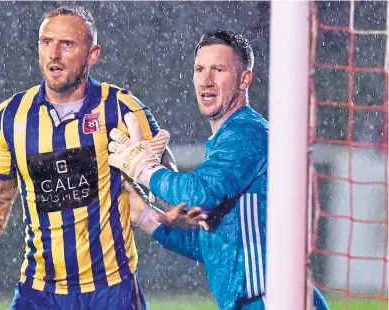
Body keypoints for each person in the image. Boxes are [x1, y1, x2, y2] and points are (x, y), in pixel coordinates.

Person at [0, 6, 175, 310]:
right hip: (38, 294)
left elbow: (165, 175)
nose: (54, 53)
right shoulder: (11, 117)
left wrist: (178, 211)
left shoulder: (120, 108)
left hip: (111, 290)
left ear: (92, 54)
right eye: (46, 41)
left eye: (67, 44)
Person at [108, 30, 329, 309]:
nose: (206, 80)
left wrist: (144, 168)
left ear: (244, 79)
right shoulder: (224, 141)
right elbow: (218, 248)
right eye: (199, 69)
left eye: (219, 69)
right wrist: (145, 216)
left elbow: (197, 193)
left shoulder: (247, 134)